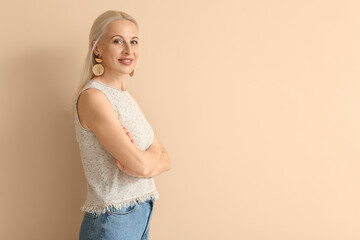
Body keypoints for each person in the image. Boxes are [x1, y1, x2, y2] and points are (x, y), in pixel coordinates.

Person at [73, 10, 171, 240]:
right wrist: (147, 160)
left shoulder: (125, 96)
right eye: (118, 41)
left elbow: (165, 157)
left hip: (139, 215)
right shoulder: (94, 98)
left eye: (133, 41)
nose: (129, 50)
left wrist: (145, 161)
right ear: (97, 48)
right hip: (113, 219)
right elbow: (145, 165)